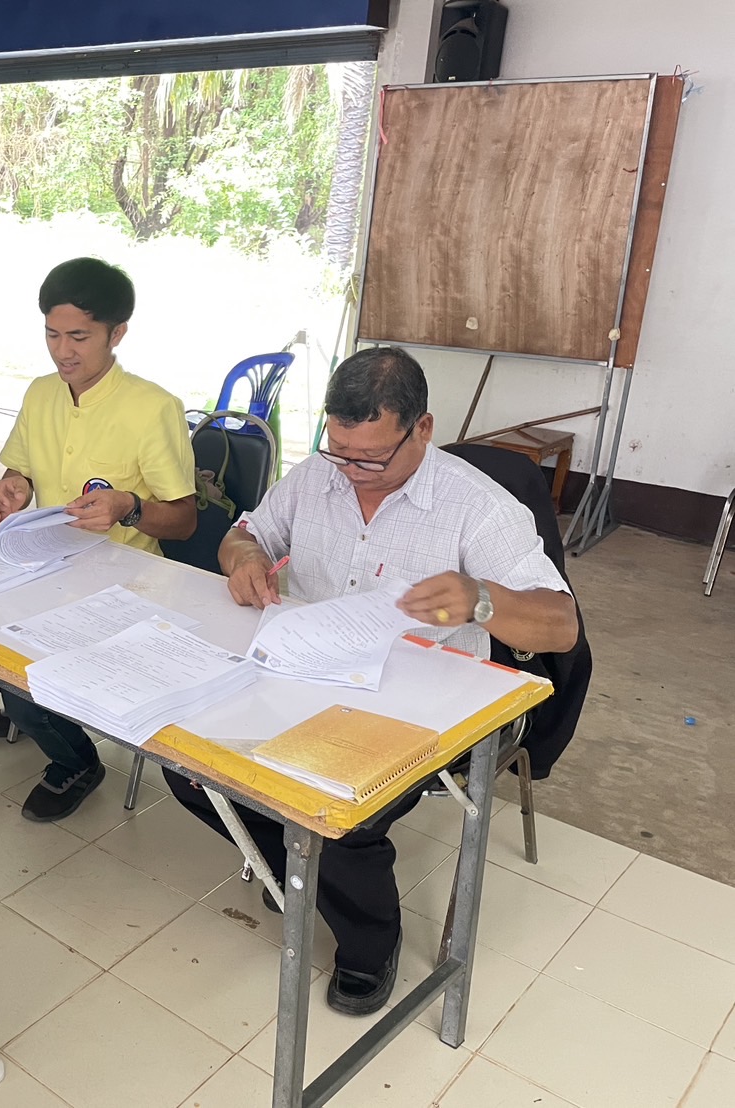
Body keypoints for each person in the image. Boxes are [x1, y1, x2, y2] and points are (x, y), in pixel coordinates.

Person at [164, 345, 579, 1016]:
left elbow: (560, 627)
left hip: (417, 703)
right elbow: (248, 533)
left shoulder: (478, 508)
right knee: (183, 766)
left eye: (371, 459)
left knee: (337, 812)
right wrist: (243, 558)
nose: (351, 474)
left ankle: (369, 942)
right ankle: (297, 874)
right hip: (307, 671)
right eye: (338, 452)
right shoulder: (314, 477)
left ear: (421, 429)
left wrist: (480, 601)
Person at [0, 258, 197, 821]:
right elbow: (19, 471)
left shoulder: (153, 408)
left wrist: (130, 507)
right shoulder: (41, 393)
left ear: (116, 334)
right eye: (52, 334)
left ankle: (74, 758)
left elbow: (184, 520)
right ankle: (30, 705)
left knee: (19, 665)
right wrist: (11, 488)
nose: (63, 351)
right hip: (43, 563)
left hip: (123, 583)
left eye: (79, 336)